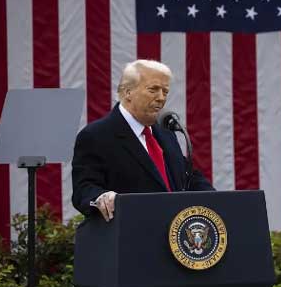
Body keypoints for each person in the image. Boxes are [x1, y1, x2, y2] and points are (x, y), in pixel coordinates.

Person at [71, 59, 214, 222]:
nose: (161, 98)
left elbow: (186, 177)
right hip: (130, 229)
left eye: (165, 92)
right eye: (153, 90)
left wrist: (217, 199)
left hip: (174, 231)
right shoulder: (96, 135)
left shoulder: (166, 132)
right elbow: (84, 189)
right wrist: (101, 197)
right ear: (128, 92)